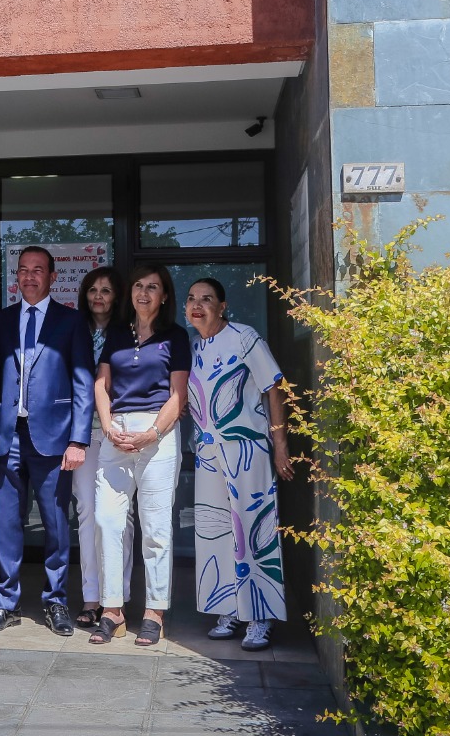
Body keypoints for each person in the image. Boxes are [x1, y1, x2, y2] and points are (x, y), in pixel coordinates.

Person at [0, 246, 93, 636]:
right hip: (6, 435)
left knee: (56, 523)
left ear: (52, 277)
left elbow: (82, 383)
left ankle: (55, 600)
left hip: (54, 437)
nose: (29, 276)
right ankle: (5, 603)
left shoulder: (71, 322)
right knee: (6, 524)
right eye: (23, 270)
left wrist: (78, 440)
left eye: (37, 270)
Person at [186, 277, 294, 652]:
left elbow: (274, 388)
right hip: (209, 455)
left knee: (253, 528)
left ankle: (259, 616)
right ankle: (229, 608)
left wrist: (280, 446)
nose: (197, 305)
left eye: (207, 299)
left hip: (248, 449)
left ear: (222, 306)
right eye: (192, 298)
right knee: (215, 531)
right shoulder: (194, 346)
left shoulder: (244, 337)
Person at [91, 263, 190, 647]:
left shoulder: (175, 336)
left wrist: (152, 433)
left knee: (156, 528)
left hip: (157, 435)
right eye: (138, 286)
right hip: (115, 434)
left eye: (152, 287)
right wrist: (107, 425)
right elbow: (102, 385)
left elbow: (178, 394)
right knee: (106, 522)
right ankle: (112, 610)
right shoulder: (116, 333)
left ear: (164, 296)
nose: (143, 293)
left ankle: (154, 611)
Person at [72, 265, 133, 630]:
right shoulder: (74, 328)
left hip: (120, 432)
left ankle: (117, 597)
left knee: (118, 516)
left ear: (117, 296)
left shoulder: (130, 332)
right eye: (93, 290)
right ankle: (92, 596)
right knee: (87, 513)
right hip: (83, 433)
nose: (98, 296)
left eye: (106, 290)